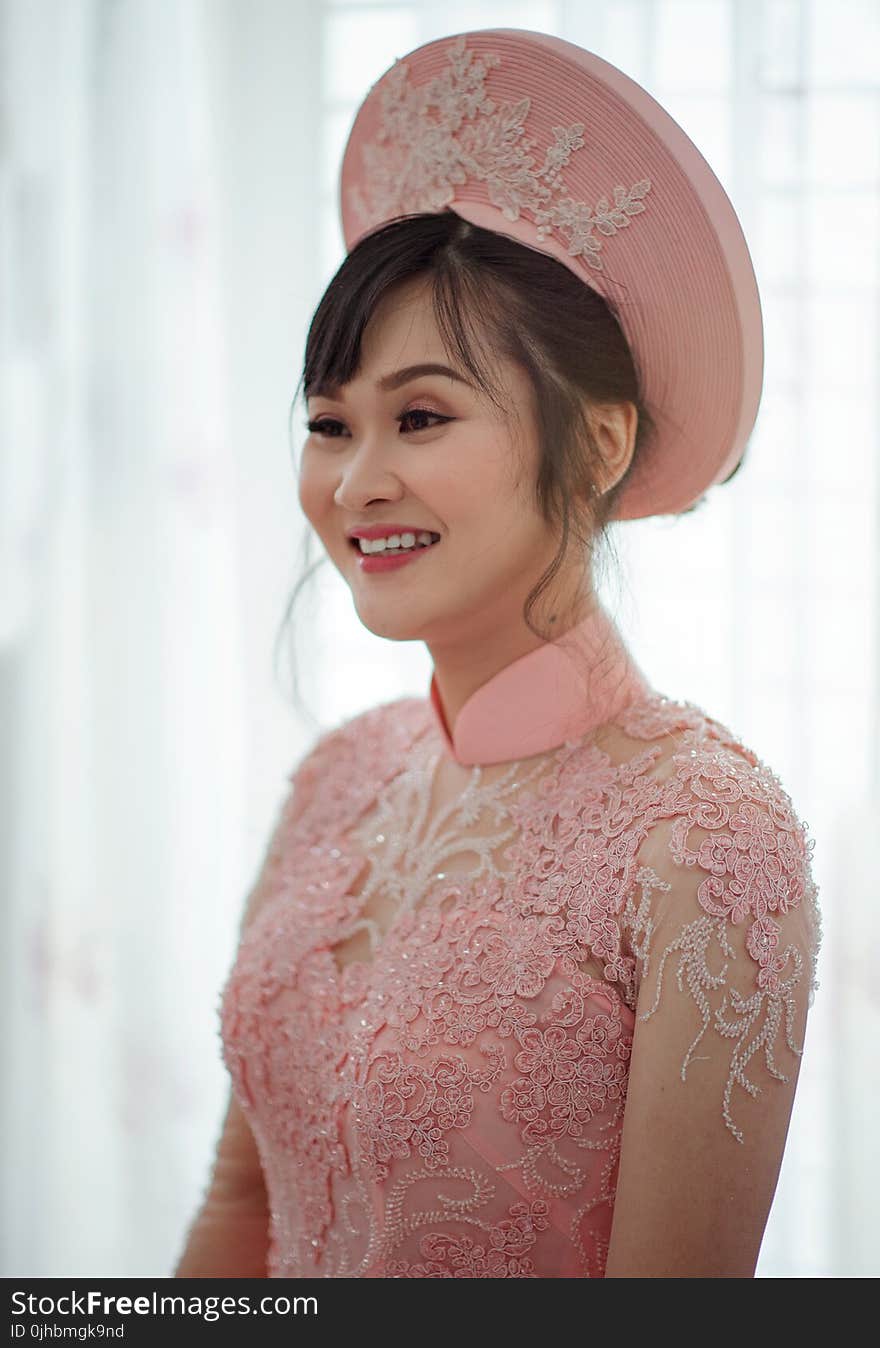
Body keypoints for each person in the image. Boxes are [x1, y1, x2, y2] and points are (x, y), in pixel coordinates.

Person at [174, 29, 822, 1279]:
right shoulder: (334, 781)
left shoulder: (706, 837)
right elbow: (233, 1213)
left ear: (595, 443)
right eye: (328, 423)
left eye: (420, 415)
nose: (358, 481)